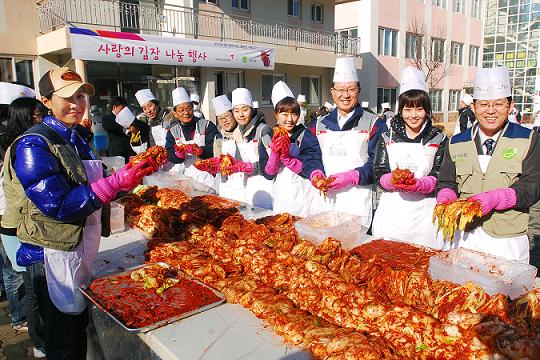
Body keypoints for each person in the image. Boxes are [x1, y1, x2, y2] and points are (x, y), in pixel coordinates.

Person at [3, 67, 157, 359]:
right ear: (46, 101)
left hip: (79, 249)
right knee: (63, 344)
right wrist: (115, 183)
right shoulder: (34, 143)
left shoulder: (75, 139)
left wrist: (127, 178)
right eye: (66, 97)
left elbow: (93, 186)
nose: (76, 103)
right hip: (52, 256)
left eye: (81, 95)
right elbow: (58, 205)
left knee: (79, 334)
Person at [437, 67, 540, 263]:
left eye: (499, 104)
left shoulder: (529, 139)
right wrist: (445, 197)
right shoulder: (456, 142)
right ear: (474, 107)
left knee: (506, 294)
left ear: (510, 105)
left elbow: (533, 184)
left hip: (507, 241)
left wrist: (499, 197)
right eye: (484, 104)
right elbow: (446, 181)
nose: (491, 111)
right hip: (465, 237)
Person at [372, 67, 447, 248]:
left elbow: (441, 173)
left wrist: (422, 185)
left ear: (427, 110)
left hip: (424, 215)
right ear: (400, 110)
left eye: (419, 109)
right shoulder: (387, 136)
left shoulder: (438, 137)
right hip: (393, 212)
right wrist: (390, 180)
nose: (413, 116)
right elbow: (378, 171)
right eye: (408, 109)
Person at [309, 57, 387, 227]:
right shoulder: (319, 124)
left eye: (351, 89)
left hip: (358, 201)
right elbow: (310, 154)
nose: (345, 95)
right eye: (340, 90)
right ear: (332, 91)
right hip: (326, 200)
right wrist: (315, 173)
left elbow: (379, 163)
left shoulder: (374, 124)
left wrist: (353, 176)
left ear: (358, 91)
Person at [0, 95, 47, 357]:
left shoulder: (17, 144)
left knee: (33, 284)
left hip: (17, 222)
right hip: (18, 225)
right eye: (38, 114)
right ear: (25, 117)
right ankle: (39, 342)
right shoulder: (23, 146)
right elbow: (22, 195)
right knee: (32, 285)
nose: (41, 118)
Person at [265, 81, 327, 216]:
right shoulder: (270, 136)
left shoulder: (305, 134)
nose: (290, 119)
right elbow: (269, 174)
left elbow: (308, 168)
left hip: (303, 195)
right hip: (281, 194)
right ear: (276, 114)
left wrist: (287, 159)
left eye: (294, 114)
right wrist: (275, 153)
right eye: (284, 114)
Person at [218, 88, 273, 209]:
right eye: (236, 111)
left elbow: (272, 163)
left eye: (245, 110)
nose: (241, 115)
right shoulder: (238, 133)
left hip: (266, 188)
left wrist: (251, 167)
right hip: (248, 189)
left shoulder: (264, 131)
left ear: (252, 110)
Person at [165, 87, 218, 188]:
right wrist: (178, 155)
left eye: (189, 108)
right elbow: (169, 153)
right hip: (183, 180)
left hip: (207, 180)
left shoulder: (206, 125)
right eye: (181, 110)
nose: (186, 112)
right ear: (175, 114)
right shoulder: (172, 131)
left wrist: (201, 151)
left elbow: (216, 149)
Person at [101, 96, 136, 162]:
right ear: (114, 107)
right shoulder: (108, 117)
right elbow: (108, 125)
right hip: (116, 152)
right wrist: (125, 125)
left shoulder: (129, 117)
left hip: (129, 151)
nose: (124, 111)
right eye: (122, 109)